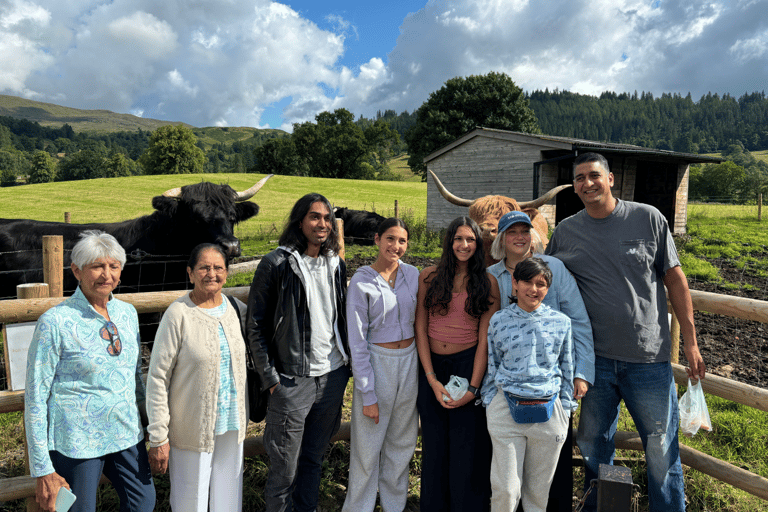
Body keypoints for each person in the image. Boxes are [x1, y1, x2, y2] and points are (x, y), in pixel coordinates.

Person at [545, 152, 706, 512]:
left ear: (611, 179)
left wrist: (692, 341)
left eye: (594, 176)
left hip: (647, 359)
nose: (587, 183)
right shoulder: (566, 232)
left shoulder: (647, 218)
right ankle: (599, 506)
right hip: (594, 362)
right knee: (592, 444)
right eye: (580, 178)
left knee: (661, 447)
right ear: (574, 186)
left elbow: (675, 279)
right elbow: (545, 284)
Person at [24, 230, 155, 512]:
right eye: (97, 266)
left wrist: (150, 427)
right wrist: (42, 469)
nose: (106, 274)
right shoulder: (55, 322)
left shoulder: (127, 314)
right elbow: (35, 397)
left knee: (143, 503)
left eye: (113, 266)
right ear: (76, 270)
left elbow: (135, 379)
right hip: (76, 439)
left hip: (125, 433)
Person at [246, 193, 351, 512]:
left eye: (327, 218)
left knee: (312, 461)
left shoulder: (336, 264)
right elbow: (255, 325)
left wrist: (345, 367)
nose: (322, 223)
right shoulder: (276, 263)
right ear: (299, 221)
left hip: (332, 377)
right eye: (314, 217)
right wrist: (271, 379)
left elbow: (339, 316)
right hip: (292, 381)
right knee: (283, 471)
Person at [486, 210, 594, 512]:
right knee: (505, 485)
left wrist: (581, 372)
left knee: (545, 481)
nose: (520, 237)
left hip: (550, 388)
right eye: (512, 232)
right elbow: (488, 335)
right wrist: (488, 394)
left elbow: (578, 321)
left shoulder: (555, 269)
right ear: (501, 239)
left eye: (525, 231)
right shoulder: (491, 275)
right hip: (506, 393)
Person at [146, 243, 248, 511]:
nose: (211, 273)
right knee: (191, 503)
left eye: (218, 268)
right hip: (191, 428)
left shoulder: (235, 309)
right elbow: (157, 377)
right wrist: (158, 435)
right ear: (190, 272)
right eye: (204, 267)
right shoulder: (178, 314)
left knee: (228, 501)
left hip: (232, 424)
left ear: (226, 273)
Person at [415, 216, 500, 512]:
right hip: (432, 368)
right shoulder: (428, 277)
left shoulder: (488, 282)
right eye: (458, 239)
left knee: (467, 451)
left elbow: (485, 337)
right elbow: (421, 328)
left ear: (478, 245)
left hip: (469, 365)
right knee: (435, 448)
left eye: (470, 240)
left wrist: (473, 388)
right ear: (449, 242)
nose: (464, 245)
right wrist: (431, 378)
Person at [482, 257, 575, 512]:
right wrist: (491, 399)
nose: (533, 289)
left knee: (538, 495)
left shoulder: (561, 322)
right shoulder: (499, 321)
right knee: (506, 489)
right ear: (514, 283)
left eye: (541, 284)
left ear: (548, 288)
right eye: (527, 282)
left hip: (549, 411)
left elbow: (567, 367)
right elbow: (492, 362)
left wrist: (565, 408)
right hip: (505, 408)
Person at [342, 218, 420, 512]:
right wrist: (367, 392)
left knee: (401, 444)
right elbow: (357, 340)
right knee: (367, 446)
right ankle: (358, 507)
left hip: (409, 360)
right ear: (376, 239)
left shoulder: (413, 275)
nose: (395, 246)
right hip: (378, 361)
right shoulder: (362, 280)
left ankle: (393, 506)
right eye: (390, 239)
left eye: (401, 241)